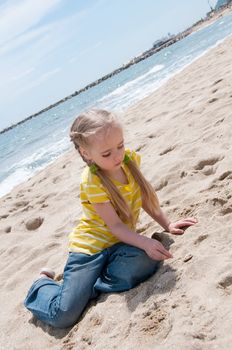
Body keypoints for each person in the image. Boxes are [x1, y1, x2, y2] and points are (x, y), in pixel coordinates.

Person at [24, 109, 197, 328]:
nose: (117, 156)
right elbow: (115, 225)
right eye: (106, 154)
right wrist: (144, 241)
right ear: (87, 154)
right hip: (89, 251)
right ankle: (41, 284)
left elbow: (144, 198)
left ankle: (89, 287)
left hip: (119, 245)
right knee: (64, 316)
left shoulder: (129, 160)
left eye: (120, 145)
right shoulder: (92, 181)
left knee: (145, 261)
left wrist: (168, 224)